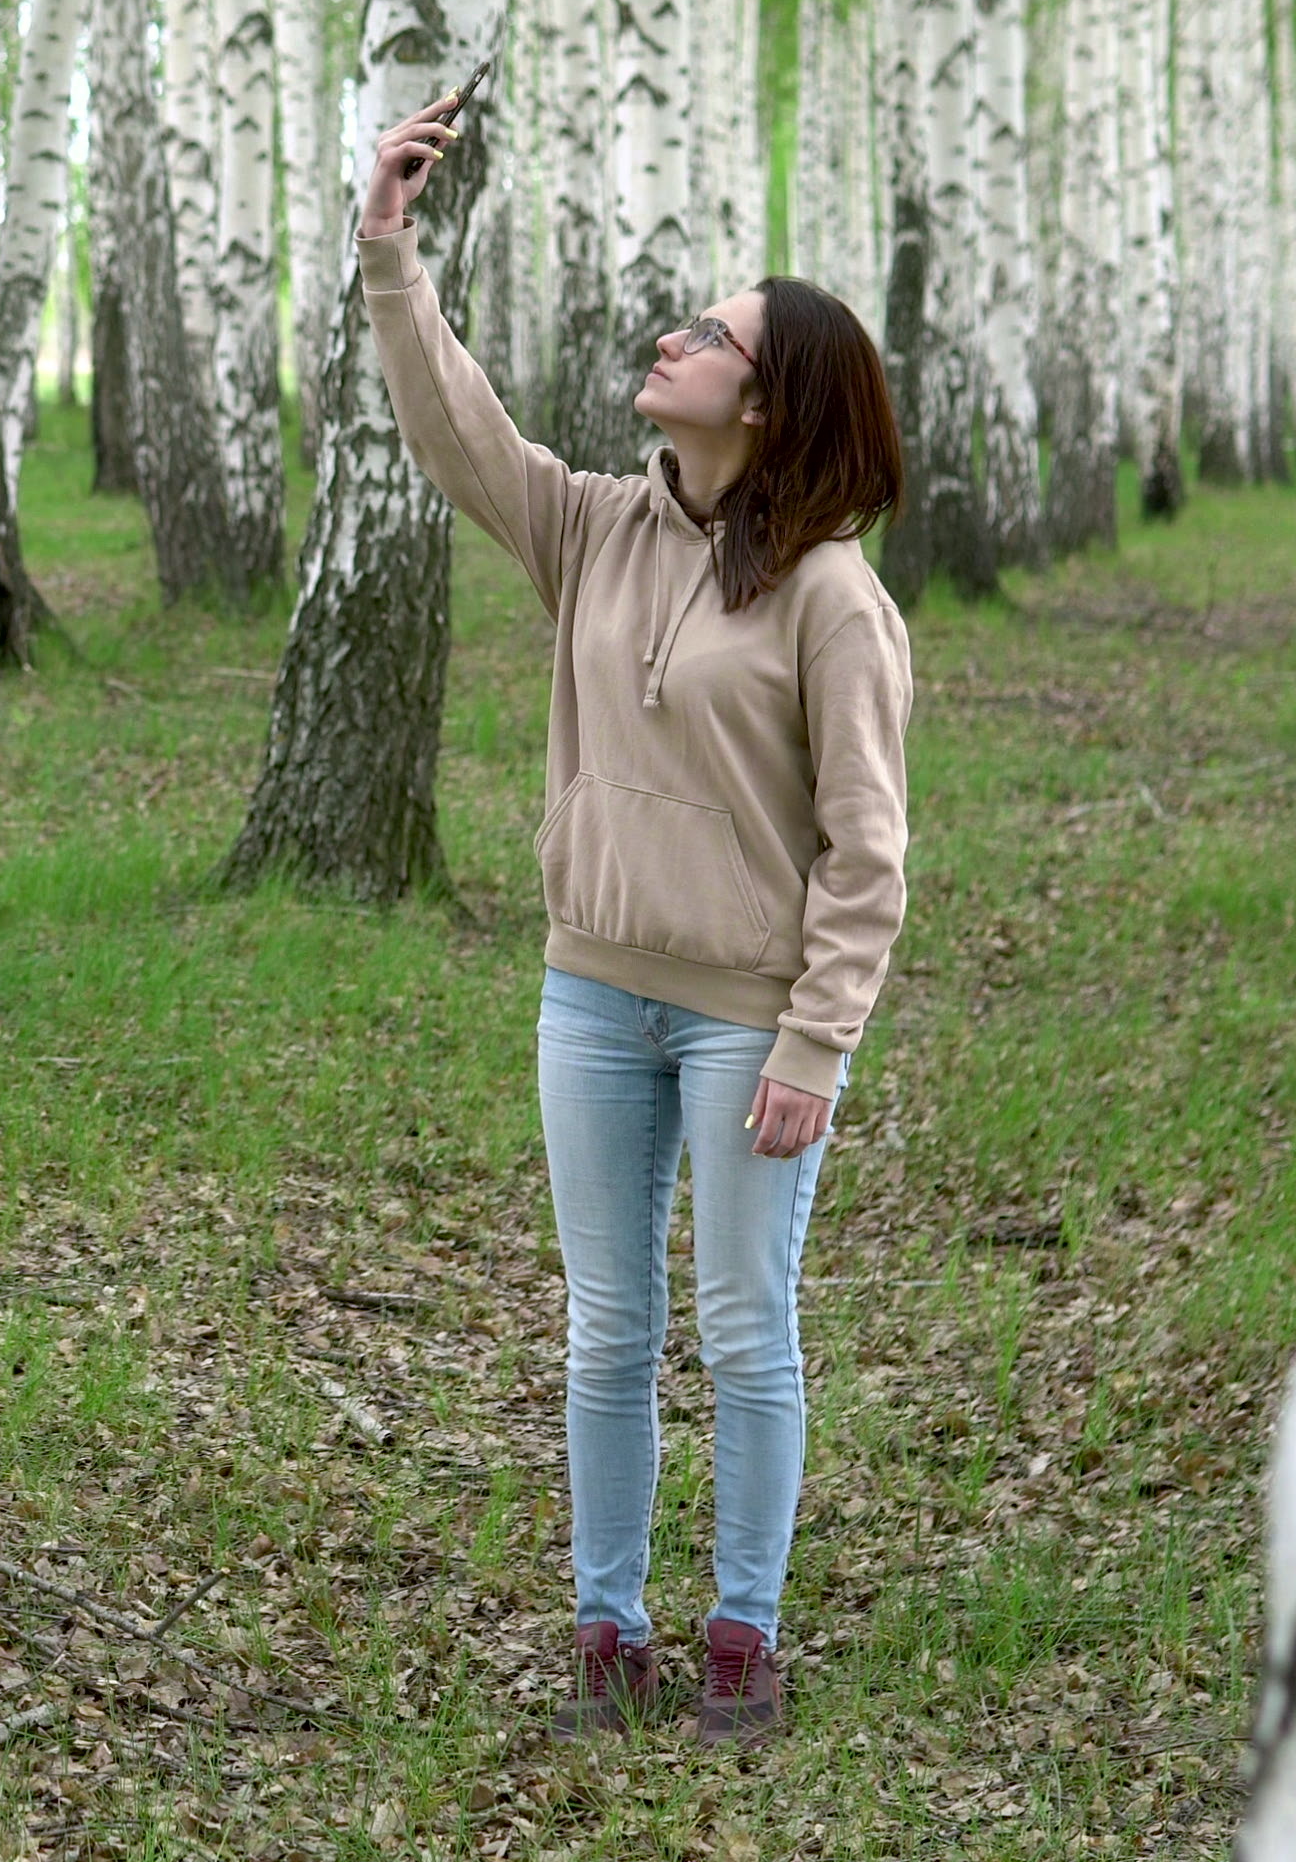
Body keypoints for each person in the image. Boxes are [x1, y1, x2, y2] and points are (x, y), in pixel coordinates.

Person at [356, 90, 912, 1742]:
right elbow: (461, 434)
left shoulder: (833, 601)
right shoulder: (598, 526)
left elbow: (870, 852)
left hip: (751, 1014)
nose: (673, 337)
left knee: (745, 1327)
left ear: (773, 397)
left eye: (714, 334)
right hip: (591, 996)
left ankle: (743, 1635)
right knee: (608, 1322)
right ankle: (611, 1629)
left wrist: (817, 1040)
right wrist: (393, 253)